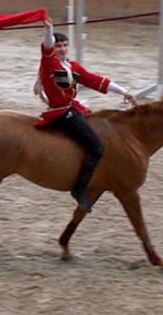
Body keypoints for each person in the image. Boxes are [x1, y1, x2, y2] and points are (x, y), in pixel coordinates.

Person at [33, 16, 136, 213]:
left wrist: (124, 92)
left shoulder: (73, 67)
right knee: (96, 147)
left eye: (65, 45)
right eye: (58, 46)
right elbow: (46, 46)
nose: (62, 49)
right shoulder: (49, 63)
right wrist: (49, 30)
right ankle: (80, 188)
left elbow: (96, 81)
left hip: (74, 107)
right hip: (62, 113)